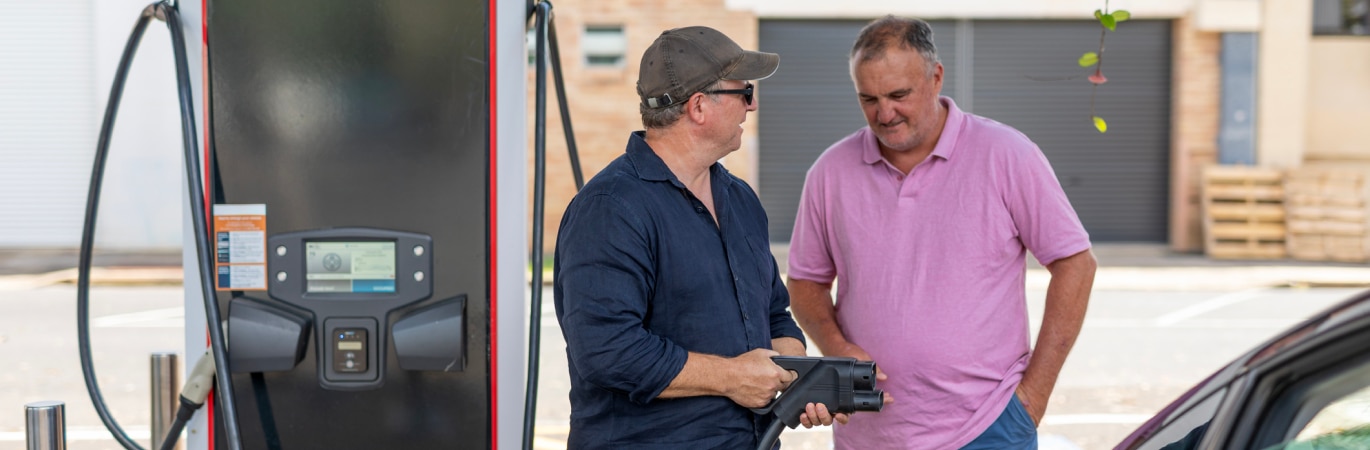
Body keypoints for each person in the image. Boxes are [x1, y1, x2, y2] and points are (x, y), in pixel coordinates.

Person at [787, 16, 1098, 449]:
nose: (884, 113)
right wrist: (836, 344)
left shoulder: (1006, 154)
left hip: (988, 427)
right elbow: (805, 282)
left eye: (898, 95)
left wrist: (1033, 398)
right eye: (868, 98)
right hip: (869, 435)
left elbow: (1076, 265)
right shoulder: (830, 172)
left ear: (935, 78)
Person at [553, 26, 840, 448]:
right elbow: (607, 350)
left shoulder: (739, 199)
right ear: (700, 106)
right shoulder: (610, 208)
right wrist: (732, 378)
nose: (753, 104)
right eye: (744, 92)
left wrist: (797, 377)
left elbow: (773, 313)